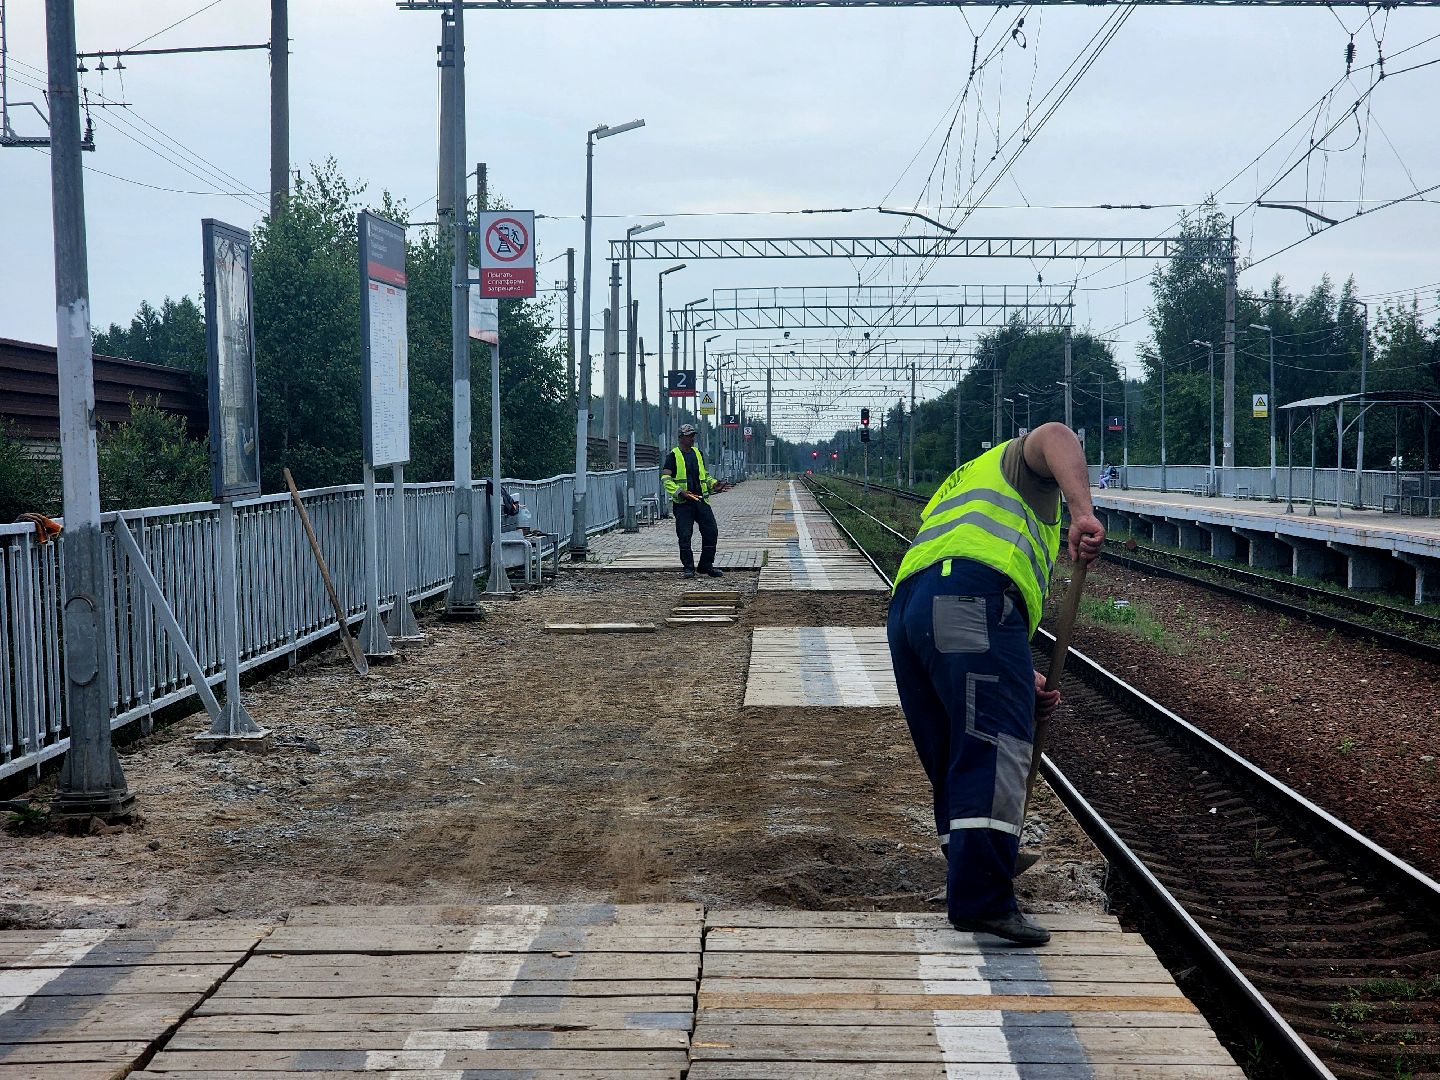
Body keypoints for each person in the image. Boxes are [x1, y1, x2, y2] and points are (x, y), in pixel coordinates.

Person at [887, 423, 1105, 946]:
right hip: (970, 599)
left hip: (912, 610)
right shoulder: (1019, 461)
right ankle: (983, 896)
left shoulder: (966, 478)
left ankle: (974, 861)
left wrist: (1016, 673)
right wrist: (1082, 511)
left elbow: (952, 589)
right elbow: (1057, 434)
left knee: (953, 747)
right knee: (994, 742)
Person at [662, 423, 729, 579]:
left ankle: (706, 565)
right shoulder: (673, 456)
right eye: (689, 436)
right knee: (685, 535)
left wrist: (714, 484)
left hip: (700, 500)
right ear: (681, 438)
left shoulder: (698, 453)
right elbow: (665, 478)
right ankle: (688, 568)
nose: (692, 439)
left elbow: (704, 475)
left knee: (711, 531)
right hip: (683, 503)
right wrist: (679, 491)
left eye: (693, 436)